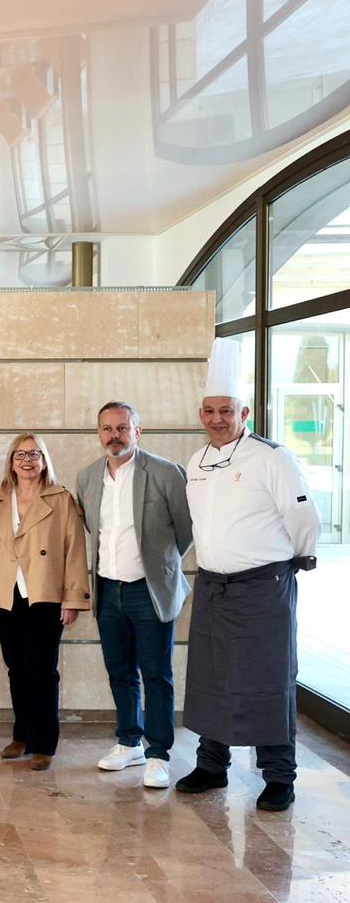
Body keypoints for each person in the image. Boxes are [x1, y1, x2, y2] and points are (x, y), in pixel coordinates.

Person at [176, 338, 320, 812]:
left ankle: (279, 776)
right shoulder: (196, 462)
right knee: (210, 678)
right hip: (213, 587)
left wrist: (291, 561)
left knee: (268, 681)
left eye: (227, 410)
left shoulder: (272, 457)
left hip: (263, 587)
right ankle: (211, 765)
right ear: (201, 414)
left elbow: (304, 517)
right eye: (210, 411)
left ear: (245, 413)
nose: (217, 419)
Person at [75, 401, 193, 789]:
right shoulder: (88, 477)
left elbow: (186, 530)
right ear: (99, 433)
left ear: (137, 432)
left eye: (122, 428)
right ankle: (129, 742)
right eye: (107, 429)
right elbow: (93, 530)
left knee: (156, 674)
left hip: (149, 590)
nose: (115, 436)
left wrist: (161, 566)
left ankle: (159, 754)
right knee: (120, 671)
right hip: (108, 589)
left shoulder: (164, 472)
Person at [0, 434, 90, 771]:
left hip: (45, 593)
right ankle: (22, 734)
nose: (27, 461)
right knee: (16, 667)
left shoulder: (61, 499)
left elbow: (75, 549)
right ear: (11, 462)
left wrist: (72, 598)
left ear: (44, 461)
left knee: (41, 670)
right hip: (5, 592)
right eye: (20, 455)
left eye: (34, 454)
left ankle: (44, 742)